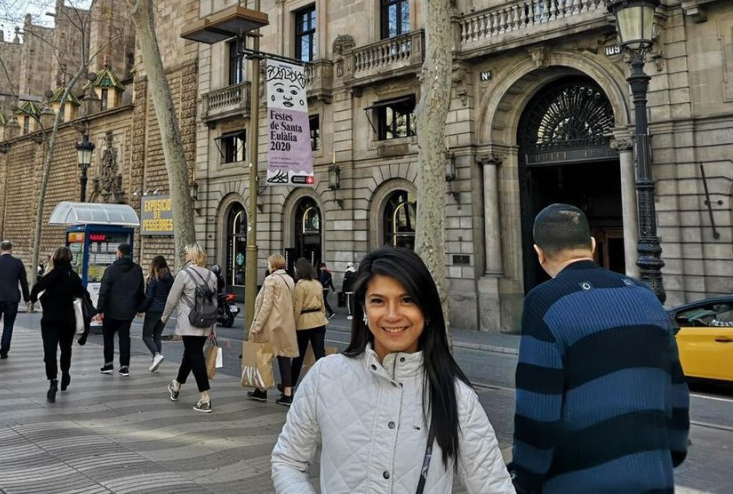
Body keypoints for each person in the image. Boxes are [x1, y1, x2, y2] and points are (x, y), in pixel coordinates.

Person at [272, 246, 513, 493]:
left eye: (406, 300)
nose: (392, 315)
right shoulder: (325, 377)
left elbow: (494, 486)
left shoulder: (458, 397)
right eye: (378, 301)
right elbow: (288, 461)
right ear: (363, 309)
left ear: (426, 309)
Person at [510, 204, 689, 494]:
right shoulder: (645, 295)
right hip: (654, 478)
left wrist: (525, 478)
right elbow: (676, 388)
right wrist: (673, 451)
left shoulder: (544, 302)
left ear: (539, 253)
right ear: (592, 245)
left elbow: (537, 409)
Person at [29, 246, 91, 403]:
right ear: (70, 259)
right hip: (67, 319)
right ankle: (65, 373)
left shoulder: (49, 276)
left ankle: (53, 381)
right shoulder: (73, 277)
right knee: (66, 348)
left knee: (49, 351)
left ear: (54, 258)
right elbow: (82, 294)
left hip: (49, 320)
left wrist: (39, 296)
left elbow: (34, 294)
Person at [161, 243, 217, 413]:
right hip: (206, 323)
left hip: (189, 323)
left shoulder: (183, 275)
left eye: (186, 253)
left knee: (195, 355)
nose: (184, 255)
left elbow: (171, 300)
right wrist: (213, 328)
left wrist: (163, 319)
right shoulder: (211, 275)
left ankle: (205, 398)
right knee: (191, 354)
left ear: (191, 256)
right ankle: (176, 385)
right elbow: (214, 303)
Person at [248, 253, 298, 406]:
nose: (267, 265)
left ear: (274, 265)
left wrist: (257, 325)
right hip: (285, 324)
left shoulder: (271, 280)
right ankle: (288, 394)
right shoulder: (290, 279)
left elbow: (266, 305)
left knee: (263, 356)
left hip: (271, 325)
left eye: (268, 263)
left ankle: (261, 390)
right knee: (284, 358)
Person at [95, 243, 145, 376]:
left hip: (111, 310)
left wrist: (100, 309)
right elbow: (140, 290)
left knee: (108, 337)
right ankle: (124, 366)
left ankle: (108, 364)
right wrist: (140, 308)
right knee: (124, 337)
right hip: (128, 310)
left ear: (120, 253)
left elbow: (104, 290)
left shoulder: (111, 269)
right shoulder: (137, 270)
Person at [0, 240, 29, 360]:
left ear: (0, 249)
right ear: (11, 249)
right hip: (12, 298)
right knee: (8, 325)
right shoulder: (18, 263)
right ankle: (4, 351)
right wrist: (27, 298)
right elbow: (24, 282)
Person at [289, 258, 328, 388]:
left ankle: (290, 384)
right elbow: (322, 304)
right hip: (319, 320)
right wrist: (322, 317)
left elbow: (297, 307)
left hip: (304, 322)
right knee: (320, 355)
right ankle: (325, 384)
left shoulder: (300, 285)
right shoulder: (317, 284)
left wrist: (293, 324)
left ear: (299, 270)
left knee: (299, 356)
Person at [140, 255, 174, 373]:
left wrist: (141, 309)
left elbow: (149, 297)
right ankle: (155, 361)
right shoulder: (170, 278)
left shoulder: (153, 279)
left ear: (154, 265)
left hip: (153, 310)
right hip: (164, 311)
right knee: (157, 336)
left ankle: (156, 355)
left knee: (146, 336)